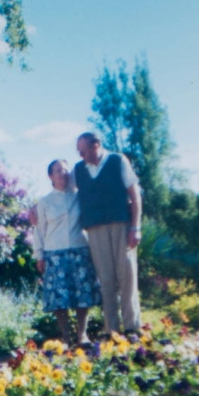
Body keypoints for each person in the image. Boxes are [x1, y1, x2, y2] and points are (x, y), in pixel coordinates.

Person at [73, 131, 143, 337]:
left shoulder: (117, 161)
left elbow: (135, 195)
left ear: (96, 145)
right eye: (78, 152)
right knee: (106, 278)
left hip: (121, 224)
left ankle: (132, 327)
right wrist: (35, 210)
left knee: (127, 274)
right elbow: (62, 189)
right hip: (95, 229)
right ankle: (111, 330)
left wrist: (135, 227)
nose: (80, 156)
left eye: (83, 151)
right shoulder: (79, 169)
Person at [30, 159, 101, 347]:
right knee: (60, 299)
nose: (63, 174)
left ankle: (82, 334)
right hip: (55, 253)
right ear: (50, 176)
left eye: (66, 170)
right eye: (58, 171)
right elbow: (39, 230)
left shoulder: (79, 197)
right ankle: (66, 337)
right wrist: (39, 255)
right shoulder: (44, 202)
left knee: (82, 294)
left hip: (80, 250)